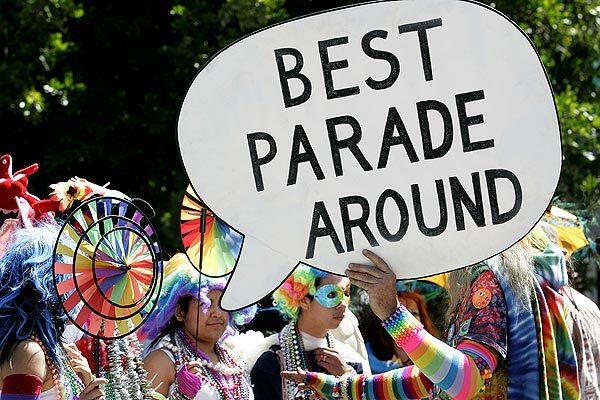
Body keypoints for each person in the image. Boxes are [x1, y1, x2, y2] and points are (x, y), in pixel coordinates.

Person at [282, 239, 581, 400]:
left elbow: (465, 382)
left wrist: (391, 312)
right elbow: (428, 380)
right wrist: (335, 386)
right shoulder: (494, 279)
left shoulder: (487, 281)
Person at [0, 222, 107, 400]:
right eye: (73, 279)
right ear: (51, 286)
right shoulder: (27, 352)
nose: (78, 292)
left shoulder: (46, 347)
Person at [141, 253, 257, 400]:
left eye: (222, 303)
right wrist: (180, 396)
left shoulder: (234, 360)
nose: (217, 312)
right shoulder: (162, 361)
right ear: (179, 312)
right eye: (205, 304)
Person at [251, 264, 370, 400]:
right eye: (331, 294)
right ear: (304, 301)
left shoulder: (349, 361)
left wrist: (347, 378)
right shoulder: (272, 363)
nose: (342, 304)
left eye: (346, 293)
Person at [366, 291, 439, 374]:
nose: (408, 318)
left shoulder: (436, 354)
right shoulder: (368, 358)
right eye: (399, 313)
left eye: (414, 313)